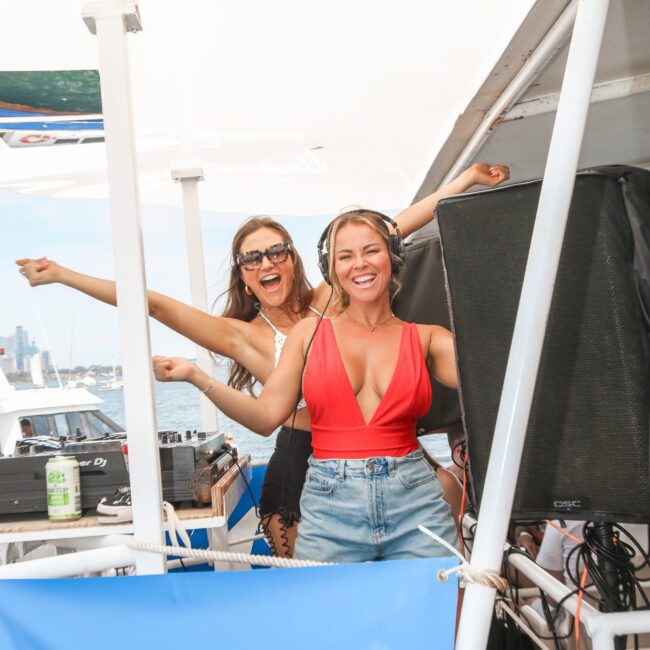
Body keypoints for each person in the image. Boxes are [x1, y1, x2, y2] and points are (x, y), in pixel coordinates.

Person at [16, 162, 509, 557]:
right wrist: (63, 275)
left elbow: (383, 233)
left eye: (277, 251)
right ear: (243, 275)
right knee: (306, 581)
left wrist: (462, 182)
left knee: (450, 491)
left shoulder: (330, 301)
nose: (266, 263)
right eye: (253, 258)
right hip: (305, 455)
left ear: (296, 260)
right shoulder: (240, 336)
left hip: (384, 448)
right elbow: (153, 302)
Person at [153, 209, 464, 562]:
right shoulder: (307, 335)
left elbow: (491, 379)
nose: (359, 263)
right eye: (345, 256)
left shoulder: (426, 338)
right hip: (328, 501)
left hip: (414, 495)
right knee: (326, 614)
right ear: (331, 269)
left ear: (392, 256)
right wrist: (196, 376)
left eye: (371, 251)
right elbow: (266, 416)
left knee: (439, 611)